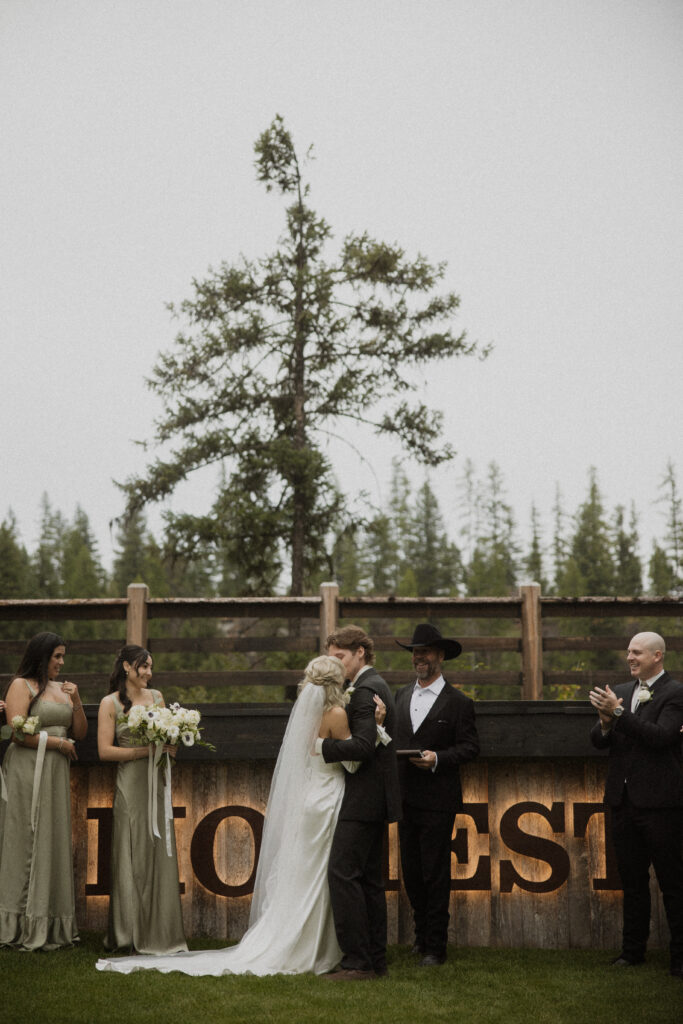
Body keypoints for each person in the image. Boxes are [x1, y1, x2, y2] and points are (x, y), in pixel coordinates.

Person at [96, 654, 385, 975]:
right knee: (322, 877)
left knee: (306, 875)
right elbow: (353, 763)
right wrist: (376, 728)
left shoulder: (306, 715)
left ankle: (298, 937)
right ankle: (320, 945)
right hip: (328, 798)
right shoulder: (336, 714)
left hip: (308, 800)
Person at [589, 631, 683, 979]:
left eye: (637, 652)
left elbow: (661, 737)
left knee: (673, 883)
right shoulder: (622, 691)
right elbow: (598, 741)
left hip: (661, 804)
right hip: (623, 802)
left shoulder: (675, 693)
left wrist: (617, 712)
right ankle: (632, 952)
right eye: (628, 651)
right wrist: (605, 723)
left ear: (658, 656)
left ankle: (679, 958)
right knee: (631, 882)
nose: (630, 657)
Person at [318, 625, 401, 981]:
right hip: (373, 797)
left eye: (340, 657)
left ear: (360, 653)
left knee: (343, 874)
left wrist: (321, 746)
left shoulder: (366, 690)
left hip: (364, 798)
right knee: (368, 880)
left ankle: (357, 962)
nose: (336, 664)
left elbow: (364, 747)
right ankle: (374, 961)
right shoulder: (372, 685)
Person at [394, 623, 479, 966]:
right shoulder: (400, 696)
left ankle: (436, 947)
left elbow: (470, 748)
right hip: (404, 799)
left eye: (426, 652)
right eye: (415, 652)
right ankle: (420, 937)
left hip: (438, 801)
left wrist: (437, 759)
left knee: (435, 873)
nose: (419, 657)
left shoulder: (458, 703)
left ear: (440, 656)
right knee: (412, 873)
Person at [96, 644, 187, 955]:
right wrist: (143, 752)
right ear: (126, 667)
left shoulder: (158, 697)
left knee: (159, 852)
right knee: (129, 851)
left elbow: (167, 738)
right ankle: (127, 933)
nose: (149, 672)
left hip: (157, 783)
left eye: (150, 667)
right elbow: (104, 751)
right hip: (130, 785)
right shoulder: (109, 703)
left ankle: (160, 931)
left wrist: (171, 745)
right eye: (143, 666)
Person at [0, 631, 86, 950]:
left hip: (55, 773)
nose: (61, 663)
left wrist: (77, 701)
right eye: (56, 657)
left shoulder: (63, 689)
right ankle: (16, 921)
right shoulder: (20, 686)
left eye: (63, 656)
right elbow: (17, 734)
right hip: (26, 769)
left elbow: (80, 732)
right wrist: (57, 743)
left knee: (52, 838)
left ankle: (51, 921)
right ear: (42, 656)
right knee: (23, 838)